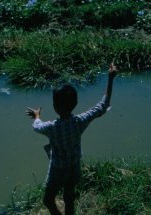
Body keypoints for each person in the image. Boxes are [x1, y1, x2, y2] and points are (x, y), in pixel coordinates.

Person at [26, 62, 118, 215]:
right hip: (74, 166)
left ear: (55, 107)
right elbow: (103, 104)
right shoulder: (80, 121)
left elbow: (37, 127)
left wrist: (36, 116)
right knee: (69, 195)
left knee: (48, 201)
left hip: (57, 170)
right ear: (75, 103)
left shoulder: (52, 127)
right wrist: (110, 78)